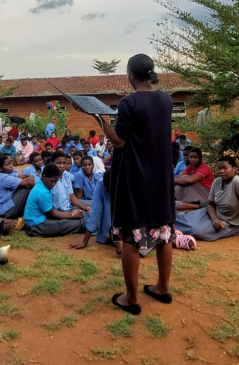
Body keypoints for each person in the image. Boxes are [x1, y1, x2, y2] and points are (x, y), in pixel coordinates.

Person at [91, 53, 175, 316]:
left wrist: (103, 123)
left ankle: (131, 298)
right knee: (164, 231)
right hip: (161, 177)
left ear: (130, 74)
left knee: (129, 235)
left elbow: (120, 142)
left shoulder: (129, 103)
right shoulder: (166, 99)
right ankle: (162, 287)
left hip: (135, 177)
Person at [24, 164, 87, 237]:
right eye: (51, 181)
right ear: (44, 177)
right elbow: (51, 213)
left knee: (65, 221)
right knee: (65, 225)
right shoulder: (42, 192)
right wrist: (72, 215)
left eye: (56, 181)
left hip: (41, 219)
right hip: (36, 225)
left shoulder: (43, 186)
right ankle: (84, 226)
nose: (53, 184)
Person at [69, 169, 119, 253]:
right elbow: (95, 212)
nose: (109, 190)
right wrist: (84, 242)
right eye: (107, 187)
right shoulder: (101, 183)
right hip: (112, 228)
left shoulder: (127, 184)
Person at [0, 154, 32, 222]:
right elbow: (28, 184)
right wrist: (31, 179)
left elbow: (22, 175)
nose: (11, 166)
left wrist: (31, 176)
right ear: (0, 169)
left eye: (10, 163)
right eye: (8, 165)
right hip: (1, 211)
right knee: (26, 189)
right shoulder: (3, 178)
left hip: (0, 207)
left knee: (19, 187)